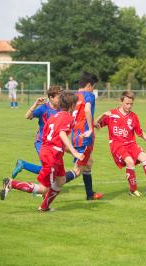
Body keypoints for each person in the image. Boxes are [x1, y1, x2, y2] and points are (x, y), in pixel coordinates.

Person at [0, 91, 84, 212]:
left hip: (52, 152)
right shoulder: (68, 118)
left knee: (60, 181)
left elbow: (49, 136)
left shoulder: (54, 117)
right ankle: (12, 183)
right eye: (75, 104)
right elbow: (61, 134)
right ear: (71, 105)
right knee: (44, 189)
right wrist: (75, 152)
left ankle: (44, 207)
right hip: (52, 155)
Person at [94, 91, 146, 196]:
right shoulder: (111, 114)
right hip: (117, 144)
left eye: (131, 104)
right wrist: (103, 115)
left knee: (144, 157)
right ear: (121, 101)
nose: (129, 106)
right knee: (129, 162)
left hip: (131, 144)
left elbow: (140, 132)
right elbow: (95, 125)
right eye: (127, 103)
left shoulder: (134, 117)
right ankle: (133, 190)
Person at [64, 72, 103, 200]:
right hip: (84, 138)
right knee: (78, 170)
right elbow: (87, 110)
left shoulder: (73, 97)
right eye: (93, 86)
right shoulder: (89, 95)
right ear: (88, 85)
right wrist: (91, 128)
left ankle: (90, 194)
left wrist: (93, 123)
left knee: (89, 163)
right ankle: (48, 187)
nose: (93, 89)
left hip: (75, 136)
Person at [11, 86, 62, 179]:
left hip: (53, 143)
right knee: (48, 168)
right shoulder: (43, 108)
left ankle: (23, 164)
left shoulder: (61, 109)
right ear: (51, 97)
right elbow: (27, 116)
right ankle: (40, 190)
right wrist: (36, 104)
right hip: (41, 142)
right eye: (59, 97)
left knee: (52, 169)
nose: (61, 99)